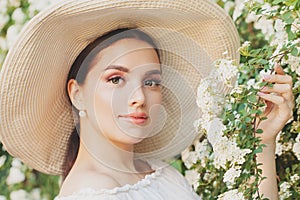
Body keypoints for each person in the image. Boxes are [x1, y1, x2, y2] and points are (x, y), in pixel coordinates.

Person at [0, 0, 294, 199]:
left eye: (151, 81)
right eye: (116, 79)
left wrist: (263, 141)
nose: (139, 97)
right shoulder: (90, 194)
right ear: (77, 93)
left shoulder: (158, 172)